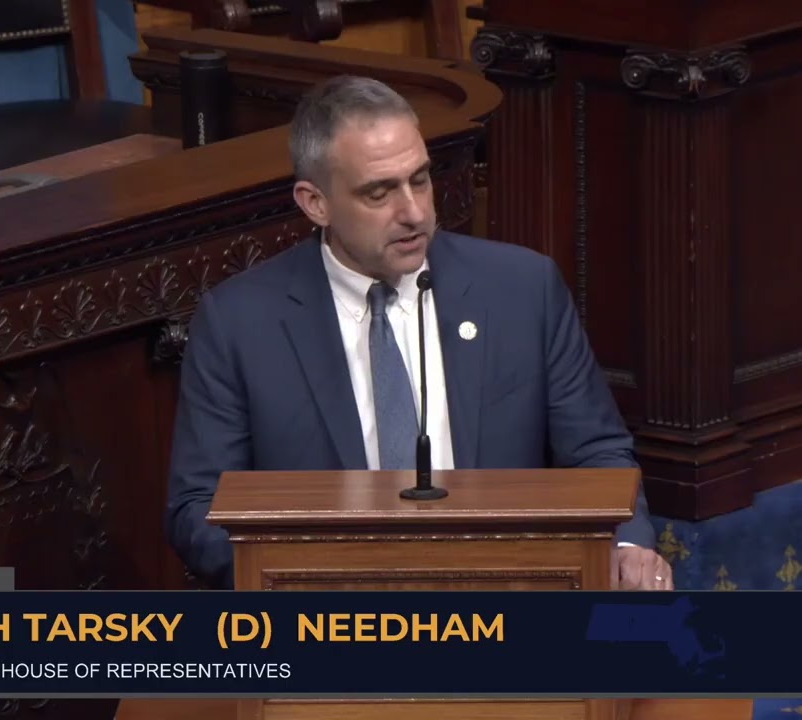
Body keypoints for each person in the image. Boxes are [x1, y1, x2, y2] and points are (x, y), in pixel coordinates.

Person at [165, 75, 672, 592]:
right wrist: (322, 576)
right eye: (379, 192)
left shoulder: (521, 289)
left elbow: (596, 452)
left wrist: (628, 548)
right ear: (315, 203)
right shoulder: (240, 322)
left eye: (420, 179)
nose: (413, 212)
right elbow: (197, 510)